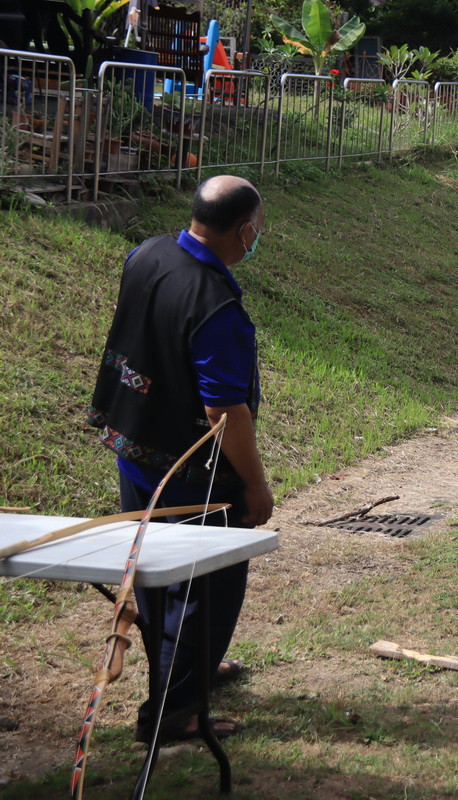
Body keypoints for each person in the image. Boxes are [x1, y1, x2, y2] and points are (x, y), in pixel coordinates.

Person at [87, 175, 273, 742]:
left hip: (135, 448)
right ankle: (176, 712)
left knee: (155, 576)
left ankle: (187, 673)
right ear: (243, 232)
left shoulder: (146, 254)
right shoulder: (215, 306)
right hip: (190, 471)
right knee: (204, 589)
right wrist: (255, 488)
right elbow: (225, 414)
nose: (256, 240)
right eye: (257, 232)